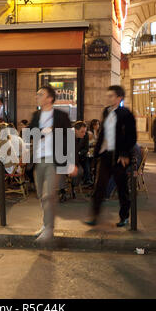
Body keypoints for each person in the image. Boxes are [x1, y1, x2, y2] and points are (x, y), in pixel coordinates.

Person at [84, 85, 137, 228]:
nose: (109, 98)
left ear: (119, 97)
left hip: (119, 157)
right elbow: (102, 133)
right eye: (108, 95)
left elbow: (132, 136)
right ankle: (94, 216)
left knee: (122, 188)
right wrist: (97, 152)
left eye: (111, 96)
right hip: (106, 155)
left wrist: (125, 153)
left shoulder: (126, 113)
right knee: (99, 187)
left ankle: (124, 216)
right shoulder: (106, 111)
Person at [28, 85, 76, 243]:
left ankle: (49, 229)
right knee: (42, 196)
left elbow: (69, 138)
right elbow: (29, 133)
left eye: (40, 94)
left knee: (49, 195)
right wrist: (42, 132)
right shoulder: (36, 115)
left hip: (54, 160)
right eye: (37, 94)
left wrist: (71, 162)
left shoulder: (61, 116)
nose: (37, 96)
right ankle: (45, 224)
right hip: (38, 160)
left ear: (49, 98)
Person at [0, 123, 27, 202]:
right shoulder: (5, 140)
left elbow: (0, 158)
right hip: (13, 166)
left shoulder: (4, 142)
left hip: (9, 167)